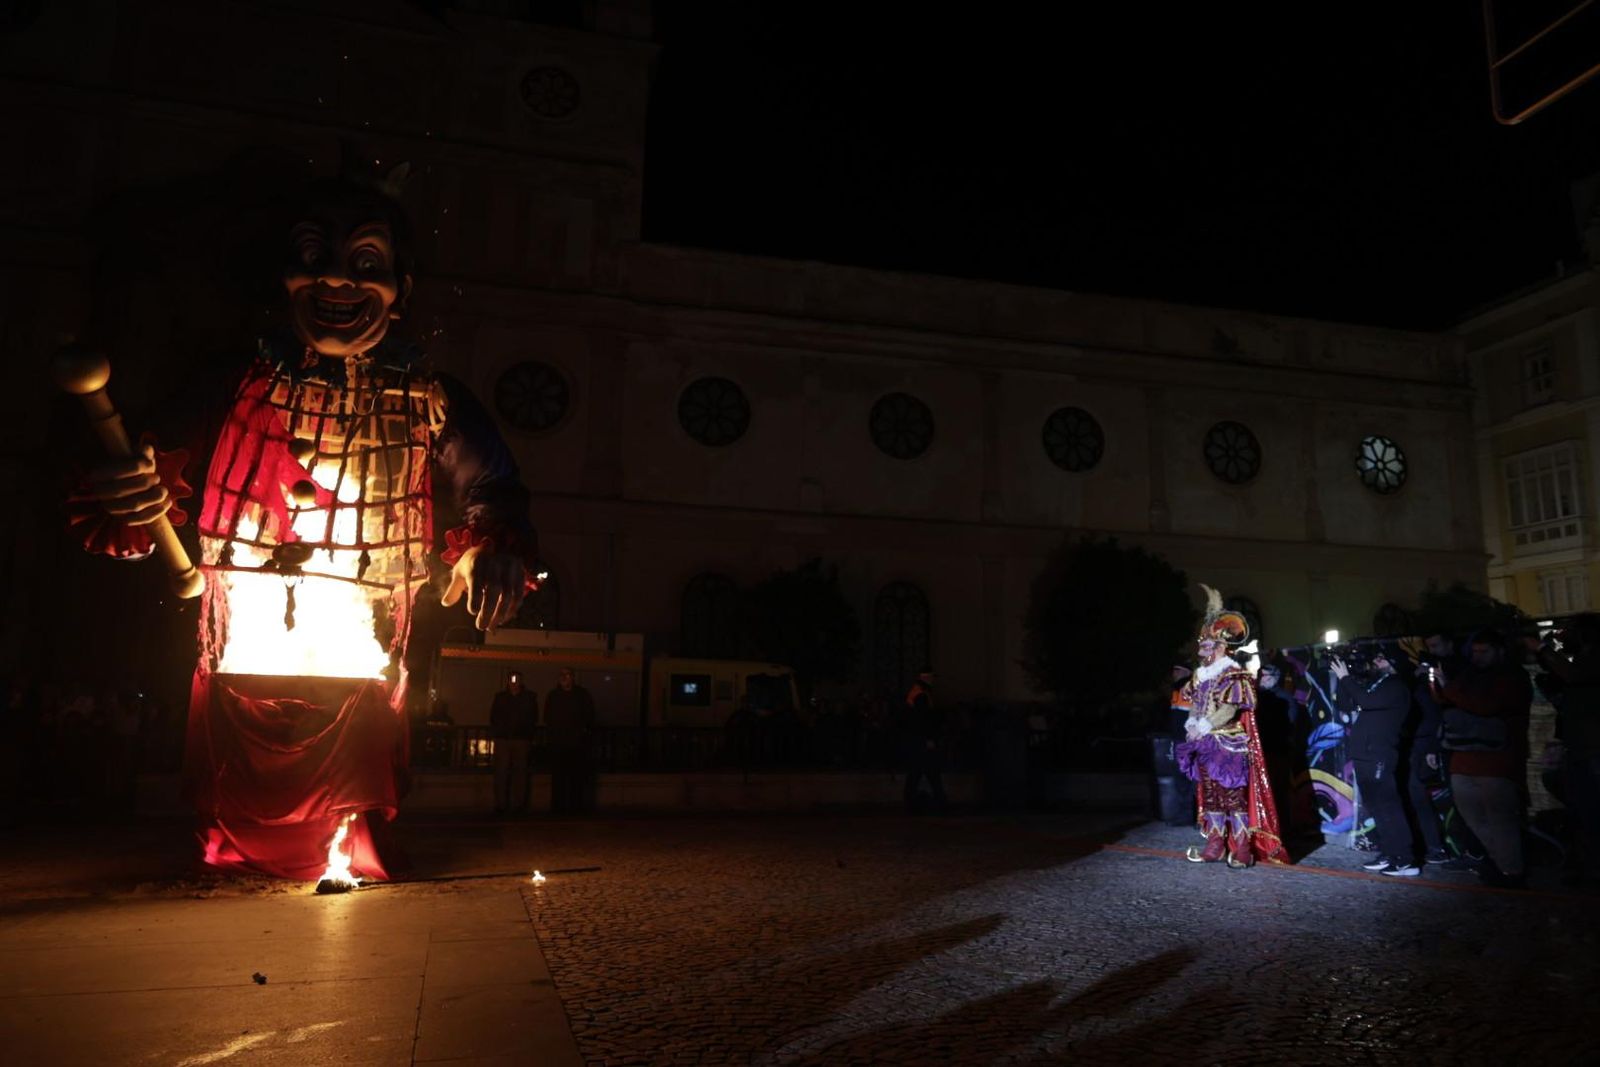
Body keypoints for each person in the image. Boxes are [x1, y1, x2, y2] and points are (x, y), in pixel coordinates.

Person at [70, 155, 543, 880]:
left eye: (364, 262)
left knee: (357, 729)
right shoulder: (230, 382)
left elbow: (493, 487)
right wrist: (133, 491)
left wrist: (488, 546)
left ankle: (347, 844)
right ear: (284, 276)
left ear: (400, 287)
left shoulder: (431, 397)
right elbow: (151, 459)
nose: (337, 281)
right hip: (244, 618)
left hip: (364, 616)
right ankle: (228, 841)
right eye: (313, 257)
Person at [1175, 586, 1288, 868]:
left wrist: (1203, 724)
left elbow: (1229, 708)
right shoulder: (1200, 675)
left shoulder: (1233, 673)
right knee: (1211, 796)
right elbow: (1194, 703)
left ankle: (1241, 849)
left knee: (1233, 797)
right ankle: (1214, 844)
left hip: (1228, 745)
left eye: (1206, 645)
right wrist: (1192, 722)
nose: (1201, 650)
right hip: (1205, 743)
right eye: (1201, 645)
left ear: (1221, 647)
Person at [1435, 629, 1532, 888]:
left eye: (1483, 651)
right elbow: (1448, 700)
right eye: (1475, 651)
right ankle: (1502, 863)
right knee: (1473, 815)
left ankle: (1511, 870)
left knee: (1500, 818)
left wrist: (1449, 689)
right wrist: (1442, 685)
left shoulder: (1512, 676)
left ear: (1499, 651)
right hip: (1466, 756)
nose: (1478, 657)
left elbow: (1487, 705)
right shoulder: (1470, 674)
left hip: (1498, 758)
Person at [1333, 647, 1422, 876]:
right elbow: (1348, 704)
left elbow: (1365, 700)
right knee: (1376, 807)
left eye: (1381, 659)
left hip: (1379, 756)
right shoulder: (1379, 684)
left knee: (1388, 807)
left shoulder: (1396, 686)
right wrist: (1344, 681)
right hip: (1365, 755)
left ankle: (1406, 859)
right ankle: (1391, 852)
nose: (1375, 662)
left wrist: (1345, 678)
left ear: (1393, 664)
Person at [1529, 615, 1600, 885]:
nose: (1563, 636)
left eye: (1569, 632)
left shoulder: (1592, 660)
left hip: (1593, 749)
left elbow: (1574, 674)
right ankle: (1588, 864)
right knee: (1583, 808)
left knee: (1592, 809)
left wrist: (1542, 647)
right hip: (1581, 747)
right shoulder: (1581, 658)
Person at [544, 667, 597, 814]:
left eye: (567, 675)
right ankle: (558, 807)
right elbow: (548, 718)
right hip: (559, 743)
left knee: (576, 777)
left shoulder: (582, 695)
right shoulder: (554, 696)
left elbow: (589, 717)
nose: (564, 678)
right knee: (559, 778)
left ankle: (575, 807)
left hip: (576, 744)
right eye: (562, 675)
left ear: (572, 677)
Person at [490, 672, 539, 815]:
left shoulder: (528, 697)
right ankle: (502, 804)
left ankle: (518, 804)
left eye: (516, 680)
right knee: (503, 773)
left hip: (520, 739)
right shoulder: (502, 697)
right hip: (506, 739)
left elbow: (533, 717)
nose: (513, 683)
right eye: (512, 680)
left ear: (521, 681)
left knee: (519, 772)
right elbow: (494, 716)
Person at [901, 668, 947, 813]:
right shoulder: (921, 695)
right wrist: (929, 738)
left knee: (916, 773)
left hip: (915, 740)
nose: (933, 680)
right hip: (921, 740)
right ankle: (940, 803)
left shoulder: (916, 693)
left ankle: (913, 803)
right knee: (928, 772)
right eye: (931, 677)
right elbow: (923, 720)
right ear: (925, 678)